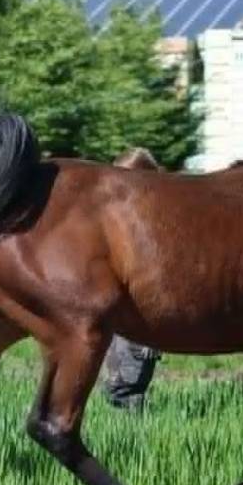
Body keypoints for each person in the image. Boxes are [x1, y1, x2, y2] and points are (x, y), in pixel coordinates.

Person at [101, 148, 163, 410]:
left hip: (142, 320)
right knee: (114, 387)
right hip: (120, 316)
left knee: (128, 388)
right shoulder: (120, 219)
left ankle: (138, 436)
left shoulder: (158, 224)